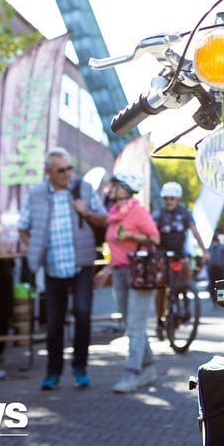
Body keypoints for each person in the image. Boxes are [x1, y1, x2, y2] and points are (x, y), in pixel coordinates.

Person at [18, 147, 108, 390]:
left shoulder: (84, 189)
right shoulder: (36, 194)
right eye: (61, 170)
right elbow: (22, 227)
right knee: (54, 321)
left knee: (82, 313)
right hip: (53, 267)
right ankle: (53, 372)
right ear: (48, 172)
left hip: (81, 264)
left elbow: (104, 219)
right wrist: (36, 249)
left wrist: (86, 211)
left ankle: (80, 368)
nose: (67, 174)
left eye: (69, 168)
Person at [102, 170, 161, 394]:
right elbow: (114, 246)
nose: (111, 188)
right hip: (118, 272)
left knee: (135, 326)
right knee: (132, 323)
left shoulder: (139, 212)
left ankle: (131, 373)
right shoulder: (113, 213)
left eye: (115, 185)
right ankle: (149, 368)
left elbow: (155, 239)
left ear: (126, 188)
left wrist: (131, 236)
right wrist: (107, 269)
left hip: (138, 273)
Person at [152, 181, 204, 337]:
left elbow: (195, 232)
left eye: (172, 198)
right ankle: (160, 321)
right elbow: (152, 232)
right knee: (161, 288)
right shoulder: (158, 214)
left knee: (186, 276)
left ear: (178, 199)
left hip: (180, 253)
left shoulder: (185, 213)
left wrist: (204, 250)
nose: (169, 201)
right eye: (166, 198)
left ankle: (186, 299)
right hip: (162, 254)